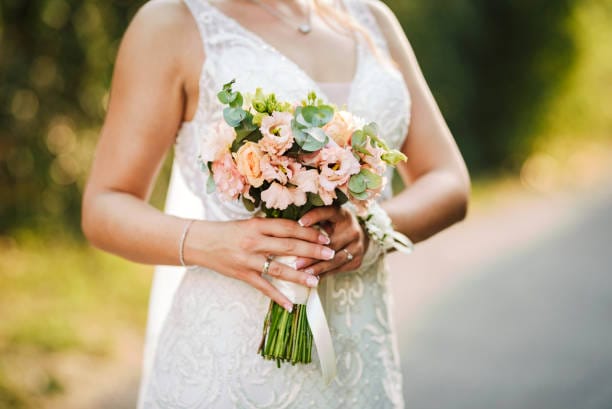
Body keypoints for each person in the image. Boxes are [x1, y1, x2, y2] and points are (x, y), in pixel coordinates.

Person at [81, 0, 470, 407]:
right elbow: (105, 204)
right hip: (230, 359)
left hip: (358, 356)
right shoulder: (172, 22)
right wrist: (210, 242)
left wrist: (372, 229)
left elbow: (449, 180)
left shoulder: (371, 19)